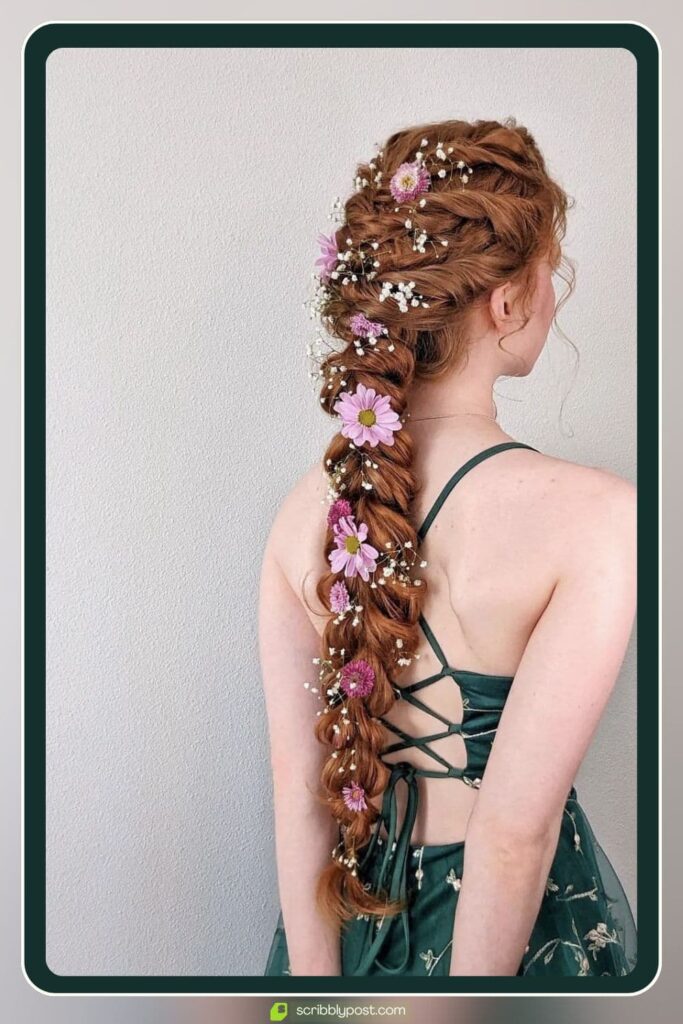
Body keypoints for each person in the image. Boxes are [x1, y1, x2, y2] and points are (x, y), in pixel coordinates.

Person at [259, 118, 637, 977]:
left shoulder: (303, 514)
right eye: (550, 273)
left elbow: (298, 790)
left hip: (344, 925)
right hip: (505, 946)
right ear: (505, 301)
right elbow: (512, 834)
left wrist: (315, 993)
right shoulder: (597, 517)